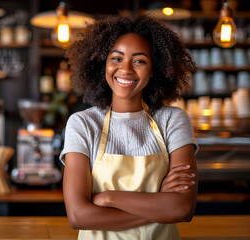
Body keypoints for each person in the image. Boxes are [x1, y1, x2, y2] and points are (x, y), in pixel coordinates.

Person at [60, 15, 198, 239]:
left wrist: (107, 199)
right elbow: (78, 216)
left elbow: (182, 208)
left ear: (154, 69)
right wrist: (161, 207)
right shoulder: (83, 124)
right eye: (116, 58)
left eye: (140, 61)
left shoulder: (173, 120)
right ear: (103, 64)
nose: (125, 69)